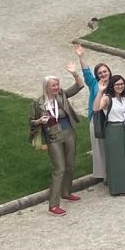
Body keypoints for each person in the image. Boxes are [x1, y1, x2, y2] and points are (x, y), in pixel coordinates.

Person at [32, 65, 85, 214]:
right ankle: (53, 204)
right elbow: (31, 122)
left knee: (70, 164)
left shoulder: (62, 95)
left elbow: (80, 85)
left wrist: (74, 72)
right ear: (47, 87)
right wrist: (39, 121)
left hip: (68, 131)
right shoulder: (39, 103)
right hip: (53, 135)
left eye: (57, 84)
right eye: (53, 85)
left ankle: (66, 192)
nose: (56, 87)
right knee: (59, 169)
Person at [93, 73, 125, 197]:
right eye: (117, 84)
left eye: (122, 84)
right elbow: (96, 108)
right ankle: (118, 187)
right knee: (116, 159)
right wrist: (99, 92)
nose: (120, 86)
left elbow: (124, 112)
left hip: (124, 128)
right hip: (113, 129)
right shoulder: (107, 98)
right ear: (112, 85)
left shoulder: (123, 97)